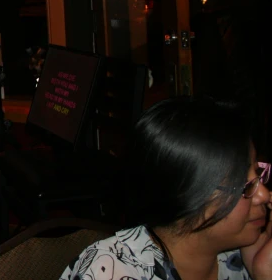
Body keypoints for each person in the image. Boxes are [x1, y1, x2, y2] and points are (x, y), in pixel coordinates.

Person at [60, 96, 272, 280]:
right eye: (245, 185)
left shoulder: (243, 255)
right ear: (186, 194)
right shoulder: (110, 271)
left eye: (258, 173)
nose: (264, 194)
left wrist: (262, 272)